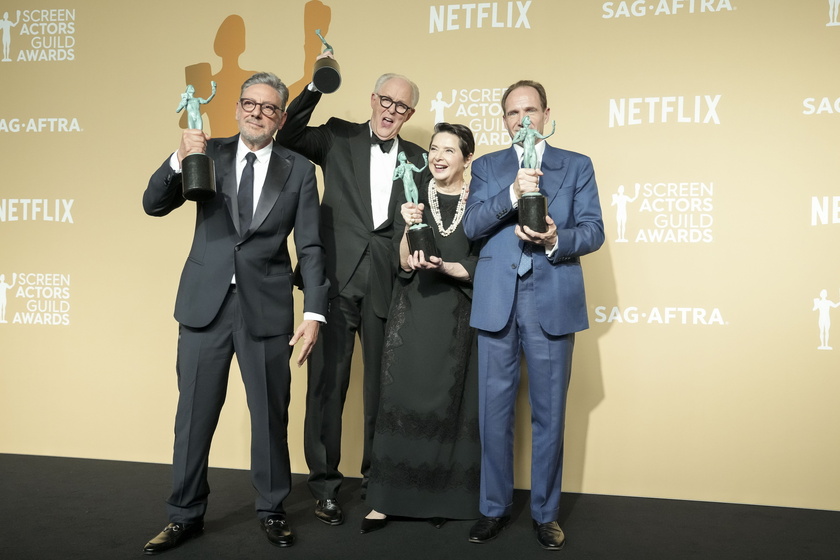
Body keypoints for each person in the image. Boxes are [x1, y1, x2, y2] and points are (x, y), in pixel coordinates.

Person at [141, 72, 328, 554]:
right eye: (249, 103)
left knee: (270, 415)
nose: (256, 112)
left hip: (265, 310)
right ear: (238, 107)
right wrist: (179, 157)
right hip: (205, 307)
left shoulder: (301, 170)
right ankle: (184, 515)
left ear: (281, 117)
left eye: (268, 108)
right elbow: (153, 204)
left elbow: (309, 247)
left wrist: (315, 314)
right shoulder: (209, 152)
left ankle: (271, 509)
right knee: (194, 415)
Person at [275, 54, 430, 526]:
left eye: (402, 108)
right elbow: (288, 135)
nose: (391, 111)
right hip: (334, 285)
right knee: (327, 387)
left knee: (384, 392)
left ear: (409, 116)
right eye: (386, 101)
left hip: (391, 285)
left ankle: (377, 481)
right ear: (372, 100)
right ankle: (324, 485)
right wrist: (317, 86)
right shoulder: (338, 134)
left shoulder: (421, 160)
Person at [462, 80, 604, 551]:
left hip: (552, 298)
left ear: (546, 114)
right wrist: (509, 193)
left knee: (549, 414)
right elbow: (472, 226)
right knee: (494, 414)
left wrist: (556, 240)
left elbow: (594, 231)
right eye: (512, 113)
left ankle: (545, 513)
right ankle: (493, 508)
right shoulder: (485, 167)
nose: (522, 120)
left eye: (530, 110)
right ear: (503, 120)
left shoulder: (577, 165)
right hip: (498, 299)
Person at [362, 123, 481, 533]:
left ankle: (441, 498)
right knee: (401, 395)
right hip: (413, 310)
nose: (439, 156)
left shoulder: (481, 201)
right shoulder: (412, 193)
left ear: (467, 158)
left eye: (449, 149)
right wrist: (407, 242)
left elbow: (487, 262)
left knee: (452, 406)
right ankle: (384, 501)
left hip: (458, 314)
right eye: (434, 148)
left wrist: (451, 267)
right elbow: (399, 255)